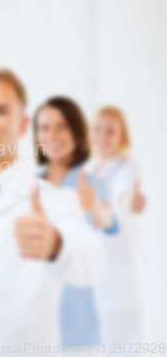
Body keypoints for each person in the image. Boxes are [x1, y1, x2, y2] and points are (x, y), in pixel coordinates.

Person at [0, 68, 105, 356]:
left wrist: (56, 245)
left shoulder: (50, 199)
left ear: (23, 125)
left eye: (0, 111)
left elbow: (93, 262)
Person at [33, 96, 118, 349]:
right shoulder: (30, 184)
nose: (53, 135)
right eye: (45, 127)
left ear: (76, 131)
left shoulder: (89, 182)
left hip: (77, 321)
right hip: (35, 316)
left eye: (62, 126)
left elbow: (109, 221)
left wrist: (94, 208)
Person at [86, 106, 147, 351]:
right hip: (97, 275)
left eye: (110, 131)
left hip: (122, 276)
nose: (102, 137)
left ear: (122, 136)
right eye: (97, 130)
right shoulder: (88, 172)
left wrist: (130, 202)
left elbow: (126, 199)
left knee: (124, 343)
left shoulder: (128, 167)